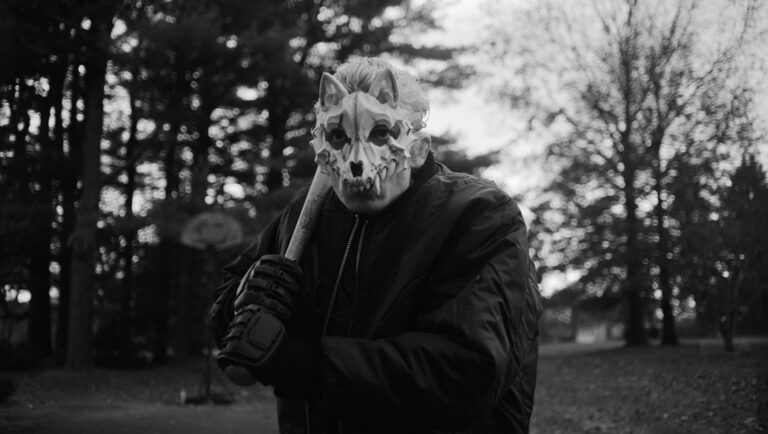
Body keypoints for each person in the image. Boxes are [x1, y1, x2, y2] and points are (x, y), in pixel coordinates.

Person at [210, 57, 542, 434]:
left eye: (380, 133)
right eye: (339, 137)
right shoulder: (304, 214)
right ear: (322, 147)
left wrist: (307, 365)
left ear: (417, 149)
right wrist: (246, 305)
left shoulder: (479, 215)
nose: (355, 160)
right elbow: (227, 314)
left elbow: (468, 371)